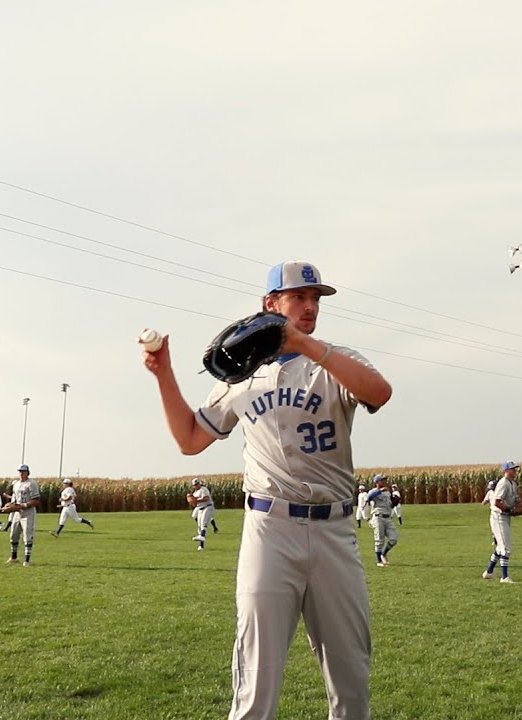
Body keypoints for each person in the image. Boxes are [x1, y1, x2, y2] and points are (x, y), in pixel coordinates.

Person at [142, 259, 393, 720]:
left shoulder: (335, 361)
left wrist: (305, 345)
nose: (310, 306)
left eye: (315, 298)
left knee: (350, 677)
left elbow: (379, 392)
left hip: (335, 530)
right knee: (257, 679)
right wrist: (164, 375)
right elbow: (189, 439)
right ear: (270, 304)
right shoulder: (242, 377)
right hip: (269, 530)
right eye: (299, 296)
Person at [482, 461, 519, 583]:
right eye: (512, 469)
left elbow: (514, 499)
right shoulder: (503, 483)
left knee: (500, 547)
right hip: (498, 517)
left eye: (515, 469)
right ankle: (504, 577)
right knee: (505, 548)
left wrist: (518, 505)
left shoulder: (512, 483)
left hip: (505, 517)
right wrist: (509, 509)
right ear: (506, 471)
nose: (515, 471)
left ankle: (489, 572)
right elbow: (497, 502)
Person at [7, 464, 41, 566]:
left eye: (23, 471)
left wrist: (23, 505)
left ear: (27, 472)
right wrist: (9, 506)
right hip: (18, 513)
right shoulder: (16, 484)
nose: (21, 473)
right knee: (13, 534)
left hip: (28, 512)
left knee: (27, 535)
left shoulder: (31, 483)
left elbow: (36, 500)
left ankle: (27, 560)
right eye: (20, 471)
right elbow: (14, 500)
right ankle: (14, 557)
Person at [365, 474, 398, 567]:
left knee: (393, 539)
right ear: (377, 482)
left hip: (388, 517)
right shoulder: (373, 491)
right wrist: (380, 491)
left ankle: (383, 553)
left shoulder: (387, 492)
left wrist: (395, 501)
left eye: (384, 480)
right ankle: (379, 561)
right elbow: (368, 498)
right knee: (379, 540)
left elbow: (390, 503)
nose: (384, 482)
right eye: (382, 480)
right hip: (378, 517)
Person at [189, 477, 218, 549]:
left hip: (208, 507)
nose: (196, 486)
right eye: (195, 485)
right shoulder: (195, 493)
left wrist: (196, 500)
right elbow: (194, 504)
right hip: (200, 509)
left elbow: (206, 498)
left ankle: (202, 535)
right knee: (199, 527)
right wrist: (191, 502)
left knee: (203, 523)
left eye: (197, 484)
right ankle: (201, 546)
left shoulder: (203, 489)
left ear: (200, 484)